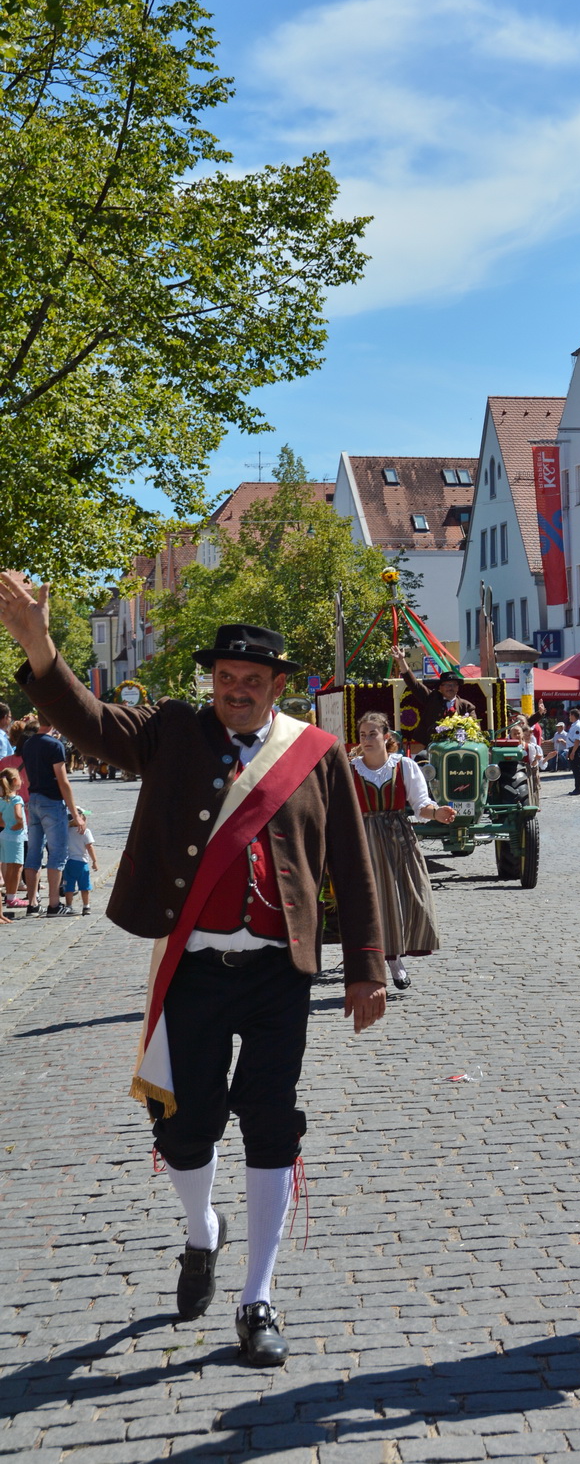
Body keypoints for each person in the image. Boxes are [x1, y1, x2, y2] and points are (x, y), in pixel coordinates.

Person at [0, 577, 388, 1369]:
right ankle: (201, 1231)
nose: (236, 692)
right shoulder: (173, 730)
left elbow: (353, 859)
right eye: (224, 679)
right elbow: (94, 720)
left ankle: (257, 1296)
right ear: (210, 682)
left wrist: (366, 968)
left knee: (272, 1121)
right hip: (196, 969)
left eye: (251, 682)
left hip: (282, 971)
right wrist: (38, 643)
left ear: (279, 687)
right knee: (185, 1129)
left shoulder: (315, 754)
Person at [351, 712, 453, 991]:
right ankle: (388, 964)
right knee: (376, 904)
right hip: (366, 838)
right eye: (363, 734)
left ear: (386, 737)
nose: (367, 739)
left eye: (373, 733)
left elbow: (420, 804)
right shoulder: (351, 769)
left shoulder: (404, 766)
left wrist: (437, 813)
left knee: (410, 897)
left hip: (399, 837)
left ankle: (398, 958)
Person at [21, 710, 82, 916]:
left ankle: (32, 904)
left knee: (34, 854)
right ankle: (54, 904)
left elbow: (29, 776)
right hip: (52, 802)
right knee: (57, 853)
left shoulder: (29, 744)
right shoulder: (55, 745)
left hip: (34, 799)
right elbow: (63, 781)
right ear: (54, 723)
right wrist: (75, 814)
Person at [399, 664, 479, 748]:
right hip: (432, 747)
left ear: (458, 688)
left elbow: (475, 728)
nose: (450, 688)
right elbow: (414, 684)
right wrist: (401, 660)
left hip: (460, 748)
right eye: (447, 685)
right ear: (440, 688)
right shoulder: (432, 699)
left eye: (454, 685)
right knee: (420, 758)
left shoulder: (467, 706)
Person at [61, 806, 99, 916]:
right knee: (84, 886)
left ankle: (69, 906)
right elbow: (89, 847)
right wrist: (95, 861)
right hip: (81, 863)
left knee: (69, 886)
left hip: (68, 863)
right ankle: (86, 906)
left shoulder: (66, 831)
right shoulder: (85, 832)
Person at [0, 764, 25, 918]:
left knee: (8, 867)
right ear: (16, 780)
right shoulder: (17, 798)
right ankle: (12, 897)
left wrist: (7, 825)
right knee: (17, 867)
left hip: (4, 835)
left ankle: (9, 895)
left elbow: (1, 821)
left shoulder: (2, 799)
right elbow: (18, 815)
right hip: (15, 837)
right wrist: (20, 823)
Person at [564, 707, 580, 796]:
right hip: (573, 748)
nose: (569, 717)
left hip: (576, 748)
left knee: (577, 769)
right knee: (574, 768)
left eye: (570, 715)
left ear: (573, 715)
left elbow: (577, 740)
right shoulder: (574, 725)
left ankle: (579, 788)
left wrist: (573, 752)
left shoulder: (578, 726)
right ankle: (577, 787)